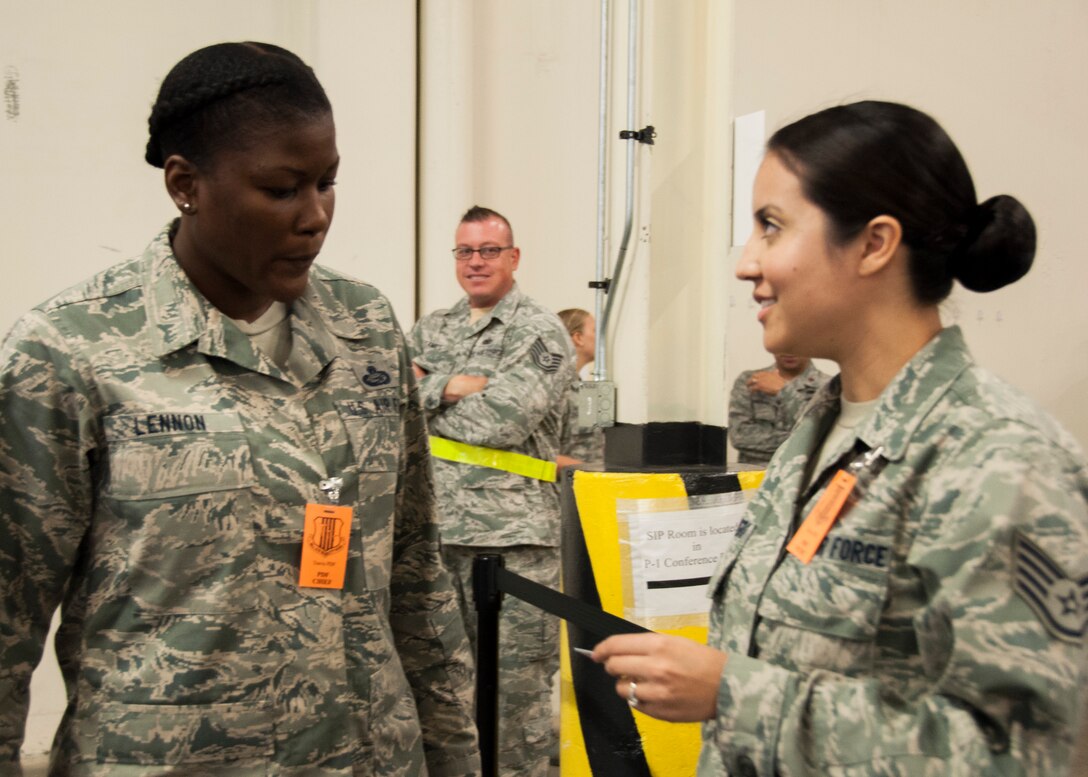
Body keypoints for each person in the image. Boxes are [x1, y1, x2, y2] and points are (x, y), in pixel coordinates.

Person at [0, 42, 479, 776]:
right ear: (186, 184)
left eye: (328, 182)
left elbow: (416, 573)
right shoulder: (70, 350)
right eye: (282, 189)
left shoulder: (366, 328)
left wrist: (452, 756)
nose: (315, 216)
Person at [590, 100, 1088, 775]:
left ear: (874, 243)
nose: (745, 262)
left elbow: (1018, 753)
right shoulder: (822, 432)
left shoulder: (997, 460)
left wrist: (736, 694)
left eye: (771, 226)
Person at [408, 206, 575, 777]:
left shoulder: (540, 330)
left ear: (513, 258)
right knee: (442, 695)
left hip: (514, 544)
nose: (475, 261)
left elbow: (502, 420)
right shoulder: (432, 328)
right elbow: (400, 412)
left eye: (488, 250)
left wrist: (434, 389)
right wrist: (461, 387)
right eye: (465, 251)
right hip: (436, 539)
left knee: (513, 701)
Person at [727, 352, 828, 466]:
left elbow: (822, 435)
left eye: (795, 343)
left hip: (802, 477)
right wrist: (803, 442)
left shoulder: (829, 386)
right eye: (783, 343)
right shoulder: (750, 380)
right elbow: (740, 437)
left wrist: (785, 391)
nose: (788, 351)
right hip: (755, 479)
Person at [557, 308, 605, 468]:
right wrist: (591, 471)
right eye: (595, 331)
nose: (602, 338)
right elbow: (540, 454)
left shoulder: (583, 386)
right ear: (578, 338)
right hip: (561, 489)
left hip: (587, 488)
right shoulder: (554, 388)